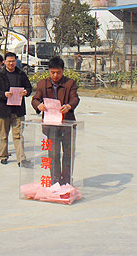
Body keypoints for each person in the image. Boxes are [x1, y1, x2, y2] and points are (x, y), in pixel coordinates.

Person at [31, 56, 80, 185]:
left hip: (67, 124)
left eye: (58, 72)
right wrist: (38, 105)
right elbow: (35, 99)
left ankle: (66, 182)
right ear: (49, 71)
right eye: (52, 72)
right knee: (53, 154)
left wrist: (69, 106)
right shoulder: (43, 84)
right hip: (51, 125)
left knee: (68, 154)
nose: (55, 75)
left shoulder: (70, 83)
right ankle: (55, 181)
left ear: (63, 71)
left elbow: (75, 98)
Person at [0, 52, 32, 166]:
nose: (11, 63)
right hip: (3, 109)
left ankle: (21, 159)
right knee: (3, 135)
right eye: (9, 61)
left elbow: (29, 87)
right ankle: (3, 155)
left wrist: (26, 92)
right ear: (4, 62)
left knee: (18, 136)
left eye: (13, 61)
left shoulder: (21, 74)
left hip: (18, 110)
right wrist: (4, 94)